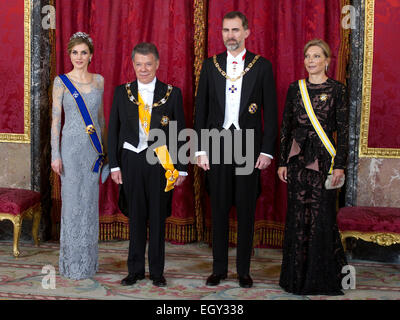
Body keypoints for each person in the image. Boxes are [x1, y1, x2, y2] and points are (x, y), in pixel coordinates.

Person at [194, 11, 277, 288]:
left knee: (245, 210)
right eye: (226, 30)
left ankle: (243, 270)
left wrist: (266, 151)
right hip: (217, 145)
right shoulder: (210, 65)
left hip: (248, 147)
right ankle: (219, 268)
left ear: (247, 32)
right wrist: (200, 150)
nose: (231, 35)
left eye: (236, 30)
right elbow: (201, 111)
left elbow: (272, 114)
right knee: (217, 209)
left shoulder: (262, 66)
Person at [108, 42, 187, 287]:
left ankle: (157, 272)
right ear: (133, 64)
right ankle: (135, 270)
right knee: (137, 217)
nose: (144, 69)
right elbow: (113, 130)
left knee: (156, 217)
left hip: (160, 162)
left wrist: (181, 166)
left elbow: (179, 131)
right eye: (139, 64)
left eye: (148, 64)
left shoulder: (172, 93)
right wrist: (114, 166)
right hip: (131, 160)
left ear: (157, 64)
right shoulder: (122, 92)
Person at [277, 39, 348, 295]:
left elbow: (345, 130)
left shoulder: (337, 90)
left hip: (325, 163)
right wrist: (283, 162)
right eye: (307, 56)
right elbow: (286, 127)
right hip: (297, 161)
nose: (311, 61)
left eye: (316, 56)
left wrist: (339, 166)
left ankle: (320, 278)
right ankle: (295, 279)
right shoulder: (295, 89)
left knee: (321, 217)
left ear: (327, 60)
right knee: (298, 217)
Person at [51, 32, 106, 280]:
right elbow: (55, 121)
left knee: (89, 204)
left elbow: (101, 120)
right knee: (72, 205)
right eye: (75, 52)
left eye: (84, 52)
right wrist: (55, 154)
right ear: (69, 55)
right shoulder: (61, 82)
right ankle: (72, 264)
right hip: (70, 151)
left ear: (91, 55)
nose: (79, 57)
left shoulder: (99, 81)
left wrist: (105, 153)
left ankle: (88, 262)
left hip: (93, 151)